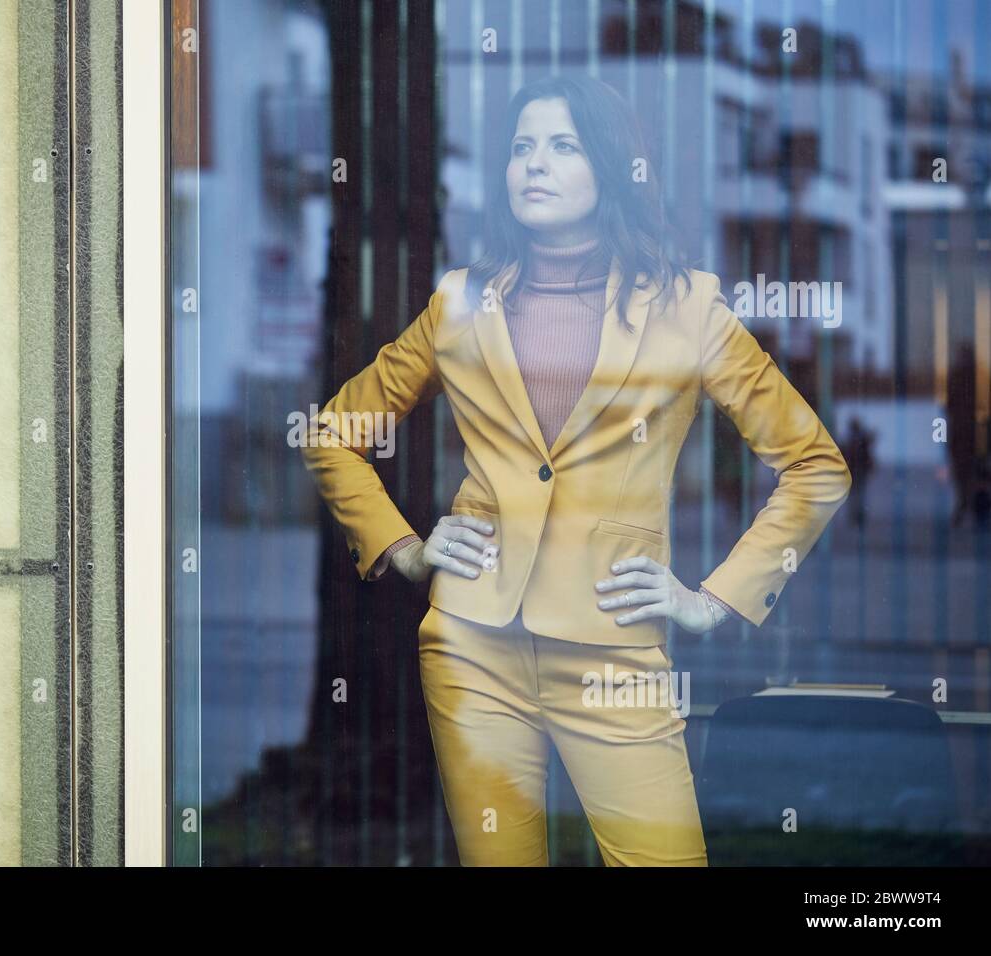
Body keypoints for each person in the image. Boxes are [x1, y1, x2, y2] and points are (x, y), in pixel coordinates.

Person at [300, 75, 852, 866]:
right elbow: (335, 434)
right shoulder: (459, 304)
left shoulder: (687, 308)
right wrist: (406, 548)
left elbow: (814, 465)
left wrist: (714, 598)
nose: (535, 164)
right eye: (522, 147)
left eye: (562, 146)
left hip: (614, 652)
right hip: (471, 649)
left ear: (612, 164)